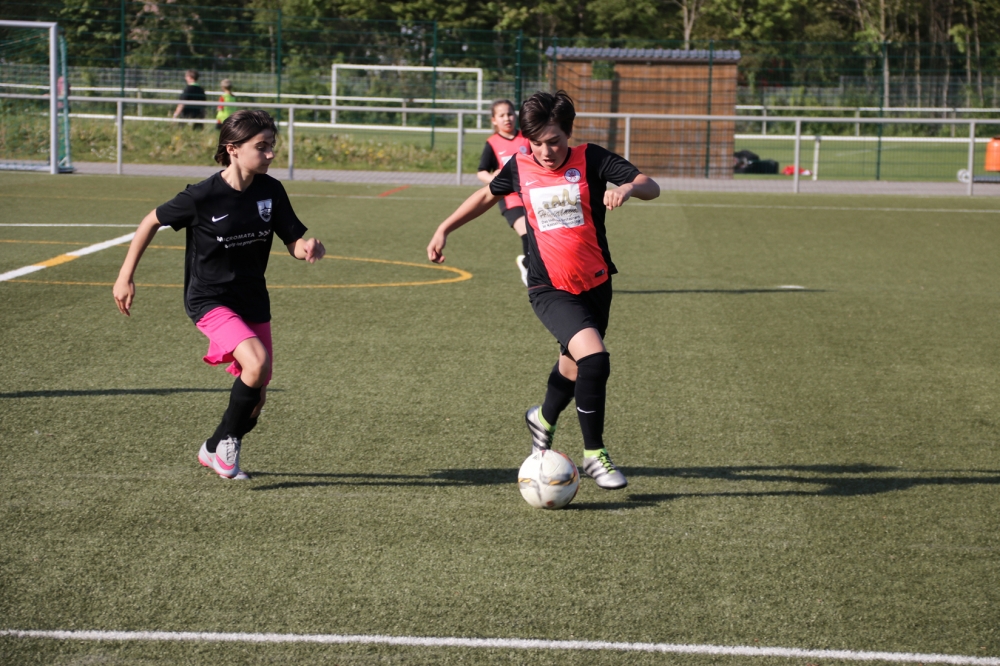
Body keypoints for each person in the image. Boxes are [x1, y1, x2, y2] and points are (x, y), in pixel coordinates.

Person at [427, 91, 659, 490]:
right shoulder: (520, 166)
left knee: (572, 365)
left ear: (568, 133)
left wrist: (627, 189)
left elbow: (649, 185)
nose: (546, 151)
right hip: (549, 286)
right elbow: (486, 195)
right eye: (536, 142)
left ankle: (542, 418)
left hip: (596, 283)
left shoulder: (591, 158)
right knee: (595, 359)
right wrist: (443, 228)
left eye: (554, 141)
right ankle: (594, 455)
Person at [113, 110, 325, 480]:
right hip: (209, 298)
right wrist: (124, 276)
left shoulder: (271, 190)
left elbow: (291, 240)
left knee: (256, 398)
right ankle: (227, 445)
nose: (271, 154)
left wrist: (305, 247)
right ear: (233, 149)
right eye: (262, 146)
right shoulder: (202, 196)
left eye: (272, 145)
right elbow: (151, 221)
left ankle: (213, 447)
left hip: (252, 297)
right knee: (256, 363)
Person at [476, 99, 532, 286]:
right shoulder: (492, 143)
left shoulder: (527, 138)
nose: (507, 118)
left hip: (532, 196)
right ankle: (532, 272)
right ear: (494, 120)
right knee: (527, 232)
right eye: (501, 115)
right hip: (510, 199)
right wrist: (494, 180)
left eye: (510, 114)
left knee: (541, 236)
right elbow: (481, 172)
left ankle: (528, 263)